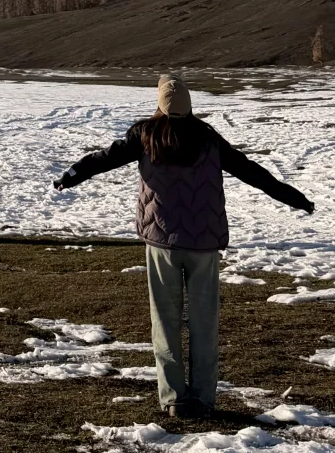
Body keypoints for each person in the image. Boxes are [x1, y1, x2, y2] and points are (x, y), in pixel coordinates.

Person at [52, 73, 314, 418]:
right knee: (205, 323)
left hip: (162, 243)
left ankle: (174, 397)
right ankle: (203, 398)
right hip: (204, 242)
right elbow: (252, 172)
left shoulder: (144, 134)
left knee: (166, 320)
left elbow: (104, 158)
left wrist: (70, 176)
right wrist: (295, 198)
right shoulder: (207, 138)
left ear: (159, 104)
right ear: (190, 106)